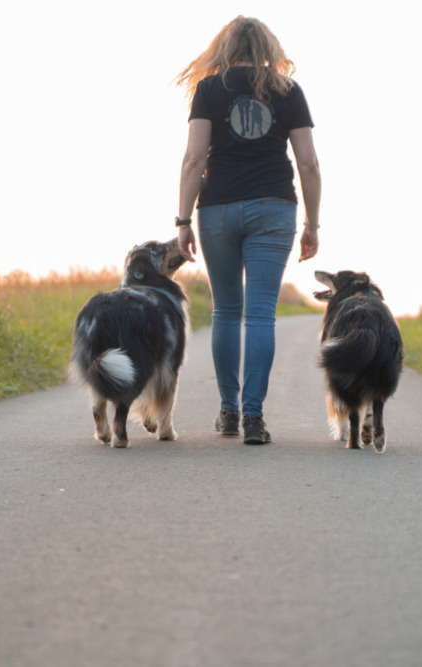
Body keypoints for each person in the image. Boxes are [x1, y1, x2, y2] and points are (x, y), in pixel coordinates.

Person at [175, 15, 321, 445]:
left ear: (224, 48)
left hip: (217, 209)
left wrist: (183, 220)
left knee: (225, 311)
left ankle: (229, 411)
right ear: (268, 49)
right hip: (274, 209)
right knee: (260, 314)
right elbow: (309, 163)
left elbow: (193, 160)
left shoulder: (209, 89)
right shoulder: (288, 91)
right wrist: (312, 222)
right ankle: (254, 417)